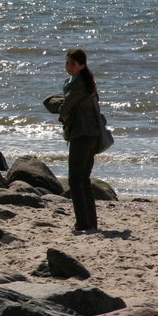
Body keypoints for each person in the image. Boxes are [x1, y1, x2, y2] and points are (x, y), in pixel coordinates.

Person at [58, 48, 102, 233]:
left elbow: (65, 107)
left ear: (81, 65)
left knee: (75, 180)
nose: (68, 67)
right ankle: (91, 222)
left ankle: (82, 222)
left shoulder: (78, 84)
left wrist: (62, 112)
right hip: (92, 134)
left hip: (82, 135)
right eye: (67, 63)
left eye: (72, 64)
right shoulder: (88, 82)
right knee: (84, 179)